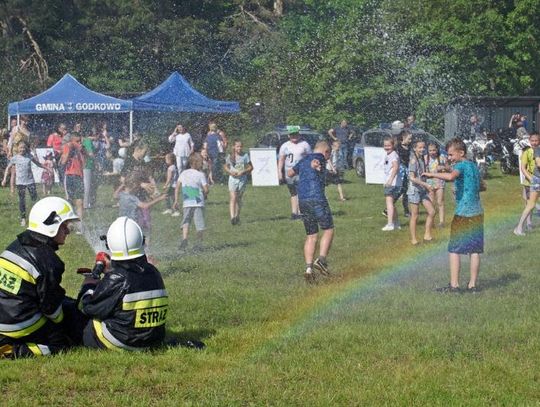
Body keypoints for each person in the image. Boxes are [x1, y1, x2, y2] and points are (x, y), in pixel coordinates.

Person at [0, 197, 84, 358]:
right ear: (50, 226)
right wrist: (64, 321)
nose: (68, 231)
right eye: (64, 226)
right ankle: (11, 351)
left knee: (66, 303)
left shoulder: (16, 245)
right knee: (61, 342)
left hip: (5, 312)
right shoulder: (49, 262)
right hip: (17, 322)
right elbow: (51, 309)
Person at [78, 216, 168, 351]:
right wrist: (110, 272)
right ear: (141, 241)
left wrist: (90, 284)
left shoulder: (116, 278)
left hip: (123, 342)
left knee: (81, 320)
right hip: (154, 339)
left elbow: (87, 307)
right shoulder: (153, 271)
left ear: (110, 245)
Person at [424, 138, 484, 292]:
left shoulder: (461, 165)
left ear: (461, 153)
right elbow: (482, 186)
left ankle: (454, 286)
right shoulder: (473, 165)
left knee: (455, 249)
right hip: (477, 212)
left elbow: (452, 177)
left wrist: (431, 175)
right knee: (475, 250)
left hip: (463, 213)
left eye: (451, 155)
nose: (449, 158)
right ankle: (473, 286)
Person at [287, 141, 333, 282]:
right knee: (328, 229)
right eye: (328, 156)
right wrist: (315, 165)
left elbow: (289, 173)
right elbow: (316, 161)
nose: (327, 159)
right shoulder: (319, 157)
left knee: (311, 235)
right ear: (326, 152)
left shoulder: (303, 160)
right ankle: (321, 260)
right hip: (317, 198)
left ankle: (308, 268)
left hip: (303, 201)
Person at [2, 141, 43, 226]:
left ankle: (37, 216)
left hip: (30, 181)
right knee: (22, 200)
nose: (22, 149)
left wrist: (46, 168)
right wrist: (4, 179)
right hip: (20, 182)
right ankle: (23, 218)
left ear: (26, 148)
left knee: (34, 198)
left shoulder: (29, 156)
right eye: (20, 147)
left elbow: (38, 164)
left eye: (24, 147)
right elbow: (8, 168)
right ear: (17, 148)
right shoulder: (15, 158)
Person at [174, 153, 209, 251]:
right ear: (197, 163)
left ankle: (185, 239)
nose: (202, 164)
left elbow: (177, 187)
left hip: (187, 203)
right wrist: (205, 194)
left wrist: (176, 200)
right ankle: (199, 244)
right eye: (201, 162)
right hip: (198, 203)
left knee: (186, 222)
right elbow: (206, 189)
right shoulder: (201, 174)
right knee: (199, 224)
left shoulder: (183, 173)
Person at [278, 126, 312, 220]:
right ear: (289, 135)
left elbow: (310, 158)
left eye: (296, 134)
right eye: (292, 134)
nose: (294, 136)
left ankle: (302, 212)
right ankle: (294, 213)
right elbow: (281, 160)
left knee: (301, 192)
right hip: (288, 172)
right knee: (293, 193)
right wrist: (279, 173)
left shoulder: (305, 144)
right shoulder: (285, 146)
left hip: (301, 171)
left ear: (299, 134)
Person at [407, 140, 435, 245]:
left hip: (422, 189)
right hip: (414, 190)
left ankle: (427, 235)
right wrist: (426, 185)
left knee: (432, 211)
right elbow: (412, 178)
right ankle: (413, 239)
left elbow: (422, 174)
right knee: (415, 215)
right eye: (420, 148)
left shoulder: (422, 159)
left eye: (423, 147)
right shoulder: (413, 160)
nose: (422, 149)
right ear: (414, 148)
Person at [514, 133, 540, 235]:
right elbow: (526, 167)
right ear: (529, 141)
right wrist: (531, 178)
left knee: (530, 204)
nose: (534, 142)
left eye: (536, 140)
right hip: (533, 180)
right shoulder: (529, 152)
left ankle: (525, 225)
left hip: (535, 180)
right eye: (532, 140)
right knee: (530, 204)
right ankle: (520, 227)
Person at [223, 140, 253, 225]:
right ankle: (232, 218)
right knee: (233, 197)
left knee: (238, 198)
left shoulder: (245, 156)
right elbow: (225, 166)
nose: (239, 148)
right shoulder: (230, 156)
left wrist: (243, 171)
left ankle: (237, 216)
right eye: (237, 146)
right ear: (234, 147)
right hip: (232, 178)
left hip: (242, 179)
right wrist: (230, 172)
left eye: (240, 146)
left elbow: (251, 167)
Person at [60, 132, 85, 230]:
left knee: (80, 202)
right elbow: (63, 162)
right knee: (69, 200)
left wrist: (81, 150)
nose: (79, 143)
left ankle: (80, 225)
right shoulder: (68, 147)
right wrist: (70, 149)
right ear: (72, 141)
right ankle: (69, 223)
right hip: (69, 175)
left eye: (80, 141)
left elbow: (88, 158)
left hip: (79, 176)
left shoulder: (81, 149)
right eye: (77, 141)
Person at [381, 136, 402, 231]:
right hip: (393, 183)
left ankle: (390, 224)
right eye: (385, 145)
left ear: (393, 145)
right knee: (392, 203)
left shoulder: (393, 155)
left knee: (389, 202)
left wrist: (390, 180)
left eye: (389, 145)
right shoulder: (389, 154)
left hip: (392, 183)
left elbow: (396, 167)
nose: (386, 147)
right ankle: (396, 223)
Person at [426, 142, 448, 228]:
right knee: (431, 203)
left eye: (434, 150)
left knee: (440, 202)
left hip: (440, 182)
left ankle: (441, 221)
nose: (432, 152)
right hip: (430, 182)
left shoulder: (442, 158)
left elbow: (448, 168)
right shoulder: (426, 158)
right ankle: (431, 221)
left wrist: (443, 168)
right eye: (430, 150)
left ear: (437, 149)